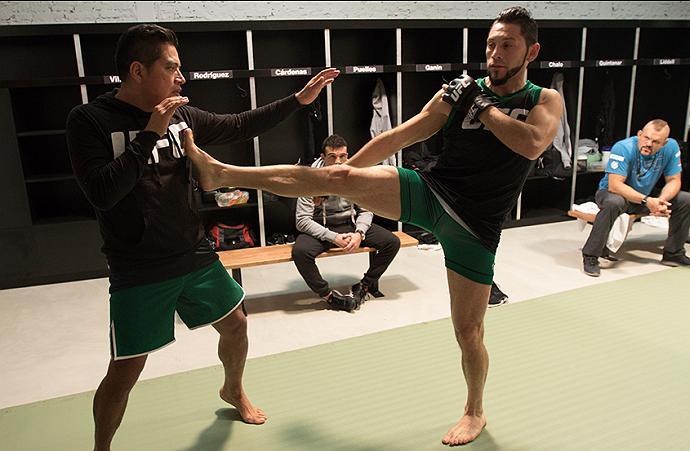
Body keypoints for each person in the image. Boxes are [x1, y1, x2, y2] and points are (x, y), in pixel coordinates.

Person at [183, 6, 561, 446]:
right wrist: (342, 178)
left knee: (468, 332)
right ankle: (223, 173)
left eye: (507, 44)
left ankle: (474, 411)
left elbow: (532, 144)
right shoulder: (460, 92)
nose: (495, 53)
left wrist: (481, 104)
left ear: (530, 50)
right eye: (491, 43)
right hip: (431, 190)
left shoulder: (542, 100)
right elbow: (402, 135)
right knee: (333, 172)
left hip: (475, 225)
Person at [65, 24, 338, 451]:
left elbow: (238, 124)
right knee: (125, 369)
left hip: (194, 252)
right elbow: (102, 193)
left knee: (236, 326)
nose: (182, 77)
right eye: (171, 67)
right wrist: (151, 132)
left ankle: (233, 390)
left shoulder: (181, 114)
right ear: (138, 70)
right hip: (138, 266)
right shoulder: (90, 120)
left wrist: (297, 100)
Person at [293, 134, 401, 312]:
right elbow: (302, 220)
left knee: (392, 242)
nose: (338, 162)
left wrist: (360, 233)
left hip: (351, 224)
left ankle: (364, 286)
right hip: (322, 229)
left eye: (343, 156)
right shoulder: (310, 179)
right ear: (323, 157)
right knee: (300, 252)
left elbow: (366, 209)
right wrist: (333, 237)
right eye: (332, 157)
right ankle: (329, 296)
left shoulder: (355, 174)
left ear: (348, 156)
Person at [581, 119, 690, 276]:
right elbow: (615, 185)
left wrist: (661, 200)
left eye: (655, 142)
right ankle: (591, 255)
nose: (649, 144)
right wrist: (648, 201)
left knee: (686, 199)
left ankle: (674, 254)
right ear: (639, 134)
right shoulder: (623, 147)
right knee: (614, 202)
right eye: (646, 138)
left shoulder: (671, 147)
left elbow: (674, 180)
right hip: (614, 193)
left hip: (646, 194)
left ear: (664, 143)